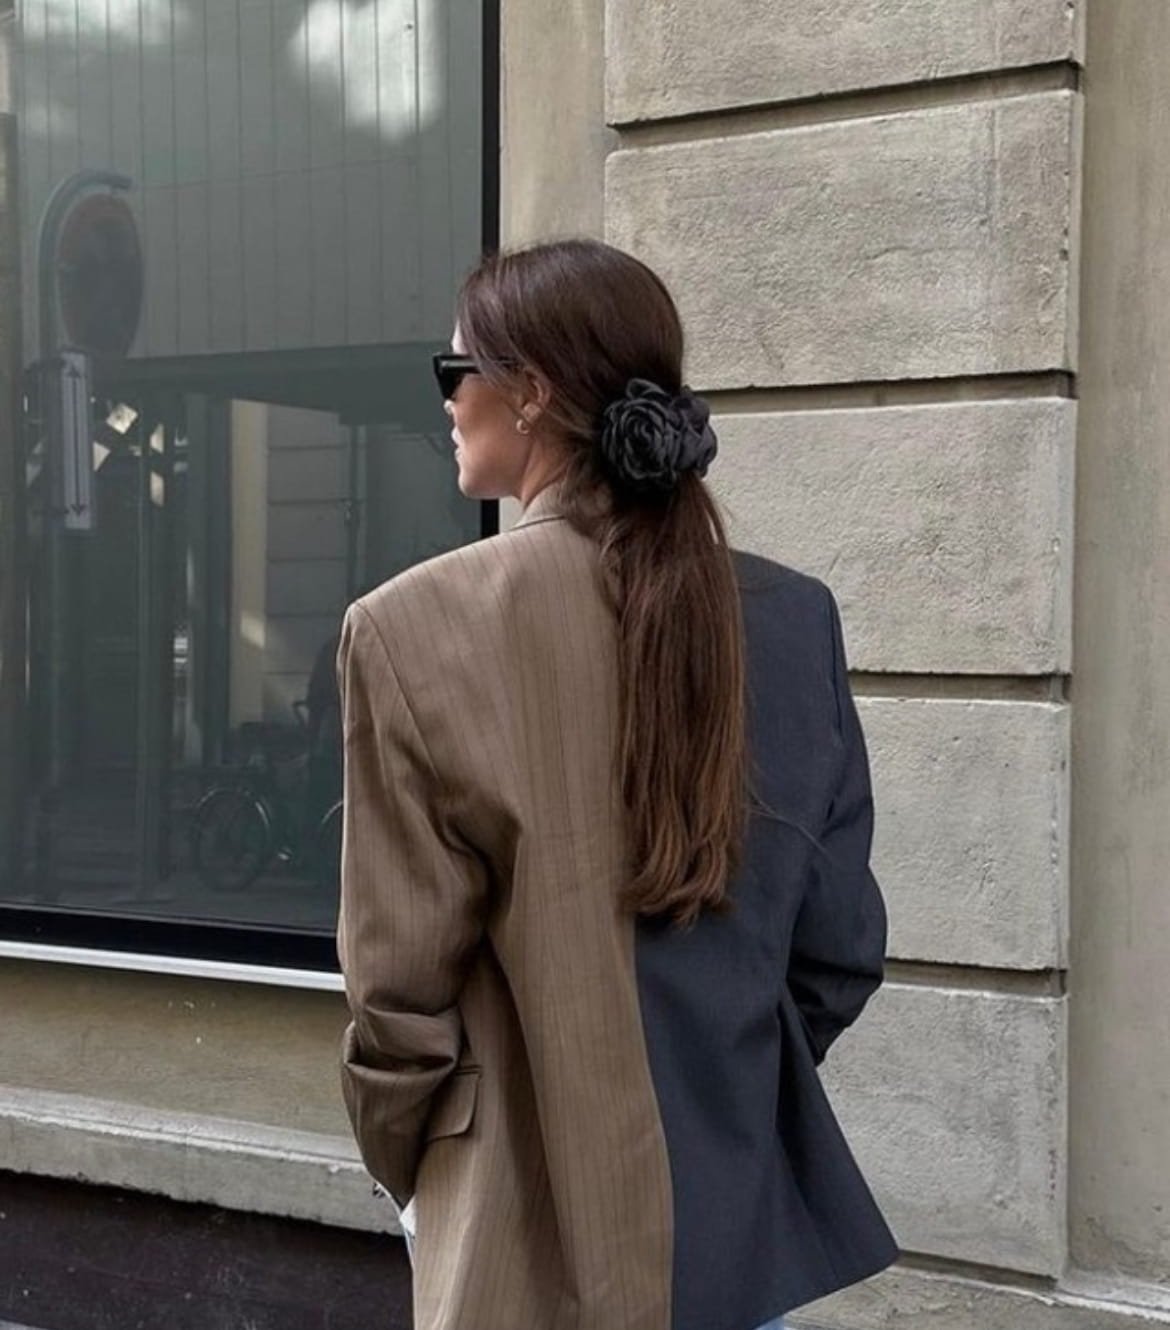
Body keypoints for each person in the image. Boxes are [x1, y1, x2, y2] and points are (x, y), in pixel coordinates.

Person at [336, 239, 897, 1330]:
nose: (448, 402)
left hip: (512, 1249)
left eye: (457, 372)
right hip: (733, 1252)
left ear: (530, 392)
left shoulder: (411, 629)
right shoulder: (795, 619)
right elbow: (837, 953)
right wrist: (721, 1105)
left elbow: (396, 997)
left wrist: (424, 1176)